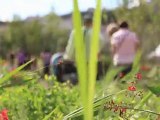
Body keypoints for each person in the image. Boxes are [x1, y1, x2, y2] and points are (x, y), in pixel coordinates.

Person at [63, 14, 105, 80]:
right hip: (93, 61)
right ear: (92, 22)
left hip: (80, 61)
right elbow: (102, 42)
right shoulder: (95, 32)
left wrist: (68, 57)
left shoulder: (75, 32)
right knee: (94, 81)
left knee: (83, 81)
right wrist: (98, 51)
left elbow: (70, 47)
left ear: (84, 22)